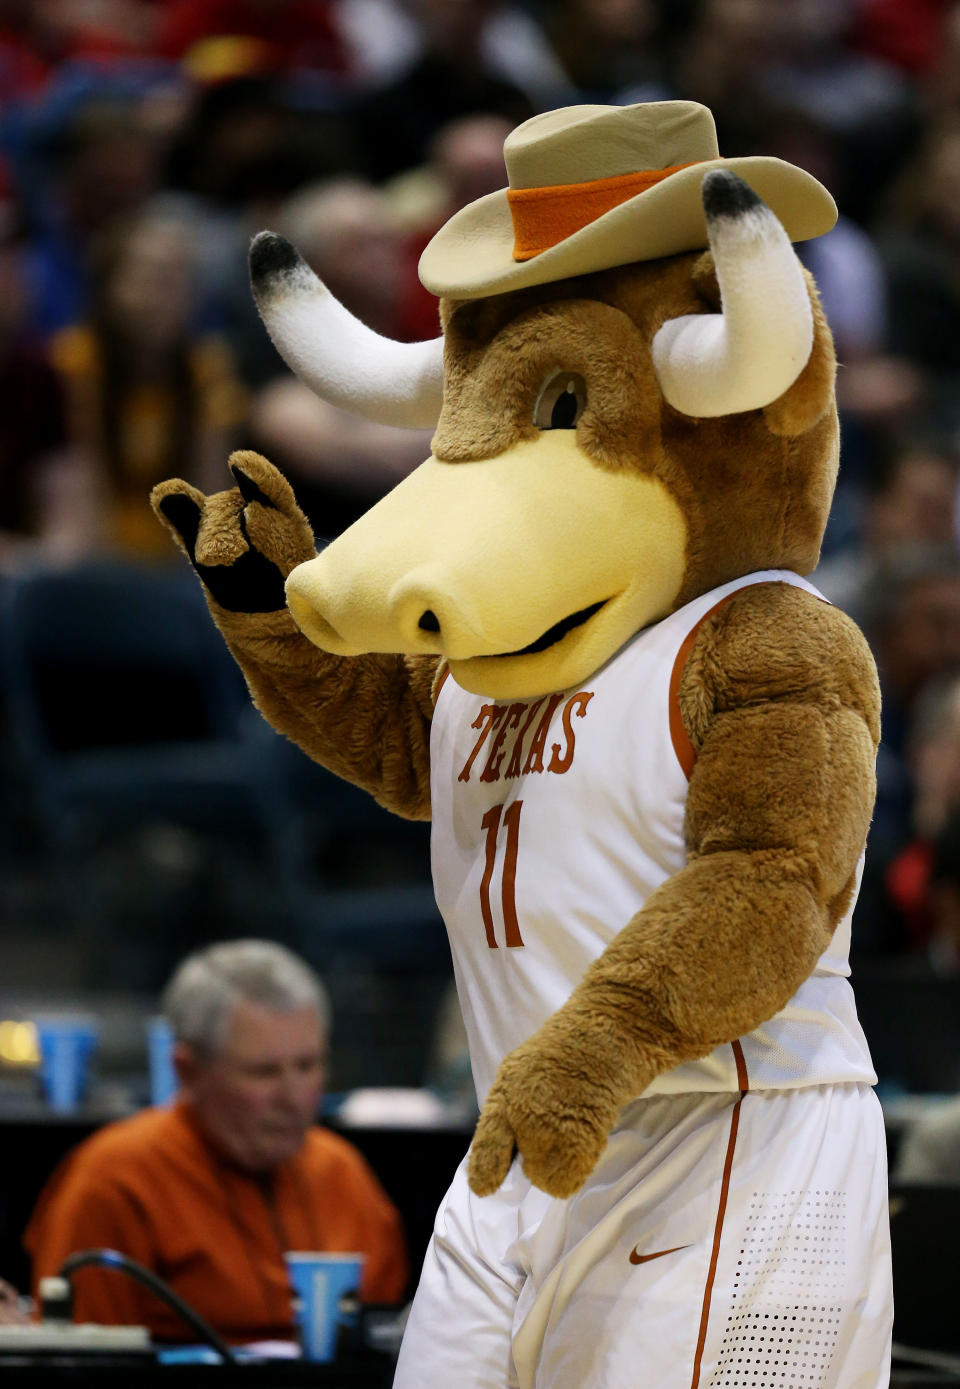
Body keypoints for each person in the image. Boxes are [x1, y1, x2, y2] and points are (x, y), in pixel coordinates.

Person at [24, 940, 408, 1346]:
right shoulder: (114, 1181)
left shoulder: (343, 1175)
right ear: (187, 1071)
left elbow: (394, 1345)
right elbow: (77, 1363)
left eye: (308, 1065)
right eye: (264, 1072)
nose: (294, 1097)